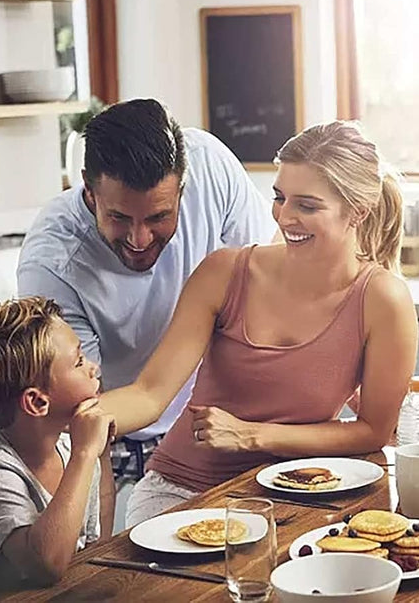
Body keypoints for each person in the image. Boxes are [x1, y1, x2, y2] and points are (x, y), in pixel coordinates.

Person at [99, 121, 419, 526]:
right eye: (280, 198)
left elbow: (373, 430)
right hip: (183, 491)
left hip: (299, 494)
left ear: (357, 211)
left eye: (307, 205)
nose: (285, 217)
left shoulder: (383, 300)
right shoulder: (224, 272)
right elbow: (149, 394)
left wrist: (251, 434)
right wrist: (78, 419)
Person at [17, 99, 277, 441]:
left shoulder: (209, 167)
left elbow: (267, 274)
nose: (139, 240)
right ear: (90, 192)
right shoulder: (51, 266)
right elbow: (82, 411)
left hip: (221, 421)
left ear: (183, 189)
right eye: (119, 217)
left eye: (158, 217)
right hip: (122, 437)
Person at [0, 297, 115, 601]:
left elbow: (96, 543)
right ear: (37, 402)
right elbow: (46, 564)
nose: (93, 367)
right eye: (78, 361)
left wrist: (100, 454)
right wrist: (86, 455)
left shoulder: (68, 447)